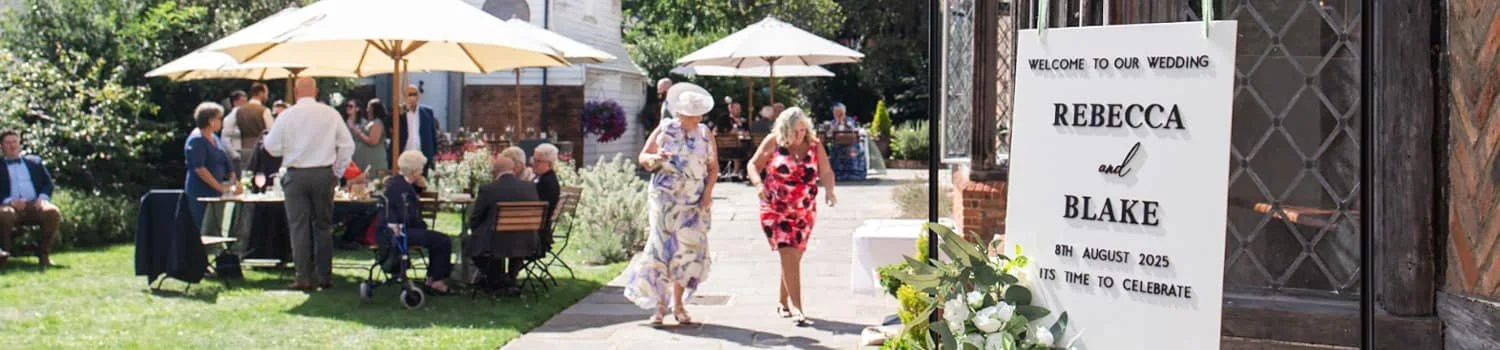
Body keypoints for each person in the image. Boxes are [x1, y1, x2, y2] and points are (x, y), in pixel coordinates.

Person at [624, 82, 718, 326]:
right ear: (680, 112)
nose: (695, 117)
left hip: (693, 202)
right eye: (691, 112)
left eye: (697, 112)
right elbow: (643, 157)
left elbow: (713, 166)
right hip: (665, 199)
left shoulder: (705, 134)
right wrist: (654, 158)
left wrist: (708, 192)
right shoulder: (665, 129)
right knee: (660, 250)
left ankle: (679, 304)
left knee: (685, 252)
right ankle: (659, 306)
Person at [747, 107, 838, 326]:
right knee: (788, 253)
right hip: (775, 209)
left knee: (793, 257)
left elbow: (825, 171)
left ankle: (782, 301)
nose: (800, 135)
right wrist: (759, 185)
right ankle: (797, 307)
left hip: (804, 210)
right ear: (785, 129)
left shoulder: (815, 145)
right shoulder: (773, 142)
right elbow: (753, 164)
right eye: (795, 131)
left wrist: (829, 190)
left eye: (802, 130)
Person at [263, 77, 356, 291]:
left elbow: (270, 146)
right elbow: (347, 145)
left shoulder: (286, 116)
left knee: (299, 227)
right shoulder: (330, 114)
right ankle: (324, 275)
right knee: (323, 226)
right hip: (323, 172)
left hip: (296, 173)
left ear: (296, 92)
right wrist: (337, 171)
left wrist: (287, 150)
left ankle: (303, 276)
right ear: (315, 91)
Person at [465, 155, 541, 294]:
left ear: (494, 172)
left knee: (469, 242)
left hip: (495, 242)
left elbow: (476, 218)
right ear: (513, 170)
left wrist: (476, 229)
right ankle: (511, 278)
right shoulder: (529, 187)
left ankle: (497, 279)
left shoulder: (489, 189)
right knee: (510, 239)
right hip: (527, 241)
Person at [382, 150, 453, 294]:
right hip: (401, 232)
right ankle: (436, 280)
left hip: (390, 229)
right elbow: (408, 217)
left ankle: (433, 277)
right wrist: (422, 226)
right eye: (421, 169)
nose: (422, 172)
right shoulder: (404, 191)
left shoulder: (395, 183)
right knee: (443, 240)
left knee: (436, 238)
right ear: (415, 171)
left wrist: (419, 188)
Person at [0, 130, 61, 267]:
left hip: (34, 204)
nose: (12, 146)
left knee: (52, 212)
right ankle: (4, 256)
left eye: (15, 142)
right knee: (4, 214)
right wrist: (10, 201)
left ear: (19, 144)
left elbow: (48, 183)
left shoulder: (35, 162)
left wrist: (42, 198)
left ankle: (43, 254)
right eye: (8, 143)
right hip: (9, 206)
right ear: (1, 146)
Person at [183, 103, 240, 236]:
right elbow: (200, 169)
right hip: (200, 191)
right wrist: (219, 187)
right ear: (210, 121)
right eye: (219, 118)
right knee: (200, 225)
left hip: (216, 191)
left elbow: (224, 158)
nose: (221, 122)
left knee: (215, 226)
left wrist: (232, 177)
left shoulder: (214, 137)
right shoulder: (197, 139)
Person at [223, 83, 275, 172]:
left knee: (246, 177)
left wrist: (233, 151)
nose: (267, 96)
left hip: (244, 149)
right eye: (266, 93)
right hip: (260, 150)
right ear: (261, 93)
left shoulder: (238, 110)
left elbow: (227, 130)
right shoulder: (264, 110)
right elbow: (271, 131)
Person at [395, 84, 439, 176]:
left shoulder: (427, 112)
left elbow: (432, 133)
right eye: (409, 95)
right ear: (405, 96)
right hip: (405, 155)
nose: (412, 97)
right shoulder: (400, 112)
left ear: (418, 96)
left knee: (422, 185)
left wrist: (434, 154)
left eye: (414, 94)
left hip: (422, 155)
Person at [532, 143, 561, 254]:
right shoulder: (544, 178)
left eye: (537, 161)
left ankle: (509, 271)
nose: (533, 164)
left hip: (538, 237)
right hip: (539, 232)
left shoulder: (546, 183)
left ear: (549, 163)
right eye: (534, 159)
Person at [347, 98, 388, 172]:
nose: (367, 110)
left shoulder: (377, 123)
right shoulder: (371, 122)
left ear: (374, 109)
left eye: (369, 107)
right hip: (366, 161)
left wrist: (357, 131)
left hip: (375, 161)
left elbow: (373, 141)